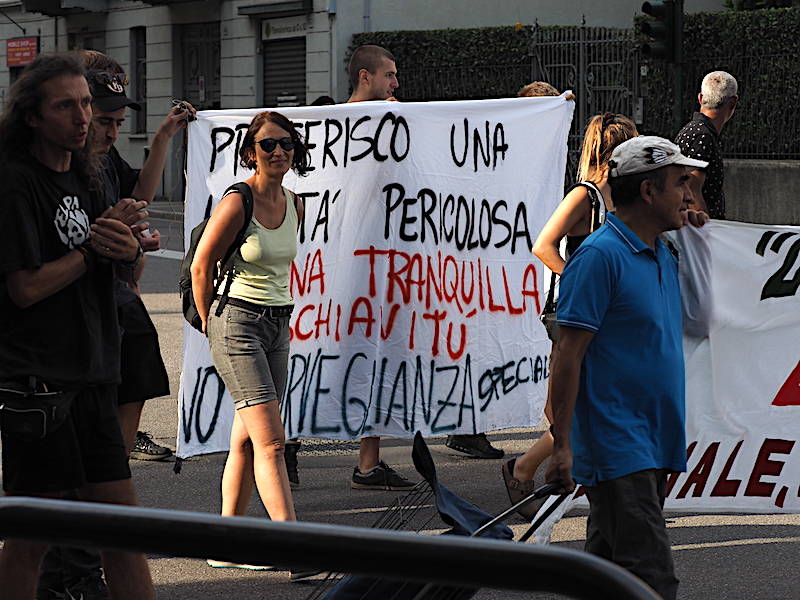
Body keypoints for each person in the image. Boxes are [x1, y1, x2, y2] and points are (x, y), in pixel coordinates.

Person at [34, 51, 196, 600]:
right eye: (89, 112)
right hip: (60, 353)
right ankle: (71, 574)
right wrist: (107, 249)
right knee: (53, 500)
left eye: (106, 116)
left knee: (110, 478)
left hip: (112, 324)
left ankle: (83, 568)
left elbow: (133, 207)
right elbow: (27, 281)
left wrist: (127, 246)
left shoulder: (97, 165)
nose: (98, 126)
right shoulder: (42, 174)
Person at [0, 52, 154, 600]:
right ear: (33, 117)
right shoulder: (16, 183)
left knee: (122, 531)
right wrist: (93, 251)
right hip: (38, 385)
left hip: (94, 377)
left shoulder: (87, 176)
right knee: (31, 540)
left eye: (87, 104)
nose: (83, 117)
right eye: (66, 106)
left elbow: (112, 268)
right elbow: (24, 287)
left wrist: (128, 243)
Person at [545, 136, 709, 600]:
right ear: (648, 192)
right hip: (619, 444)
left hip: (653, 439)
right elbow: (567, 355)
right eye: (681, 185)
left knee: (606, 571)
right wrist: (562, 445)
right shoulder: (599, 258)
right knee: (651, 579)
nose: (689, 197)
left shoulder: (664, 249)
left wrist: (701, 235)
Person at [190, 110, 316, 581]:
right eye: (267, 145)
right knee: (272, 442)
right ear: (250, 153)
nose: (278, 151)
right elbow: (202, 267)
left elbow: (281, 269)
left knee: (245, 440)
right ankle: (295, 545)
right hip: (237, 323)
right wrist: (211, 325)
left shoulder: (295, 203)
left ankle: (226, 541)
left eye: (286, 143)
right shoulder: (236, 202)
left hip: (277, 325)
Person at [501, 113, 638, 518]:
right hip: (574, 313)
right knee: (571, 404)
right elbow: (543, 244)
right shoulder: (585, 196)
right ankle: (530, 470)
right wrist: (577, 277)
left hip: (604, 311)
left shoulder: (619, 196)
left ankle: (530, 469)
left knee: (589, 400)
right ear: (614, 152)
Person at [446, 81, 579, 461]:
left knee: (514, 345)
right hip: (500, 267)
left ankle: (473, 428)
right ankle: (473, 429)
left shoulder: (541, 155)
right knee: (493, 341)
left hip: (521, 266)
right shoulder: (502, 154)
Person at [344, 45, 416, 490]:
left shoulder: (393, 121)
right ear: (365, 76)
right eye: (389, 75)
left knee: (376, 354)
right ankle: (286, 448)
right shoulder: (329, 121)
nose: (396, 84)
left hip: (380, 259)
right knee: (312, 353)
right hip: (334, 263)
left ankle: (368, 462)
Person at [674, 71, 738, 219]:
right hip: (697, 231)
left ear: (701, 98)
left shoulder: (696, 131)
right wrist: (708, 233)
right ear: (733, 102)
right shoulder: (701, 136)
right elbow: (692, 189)